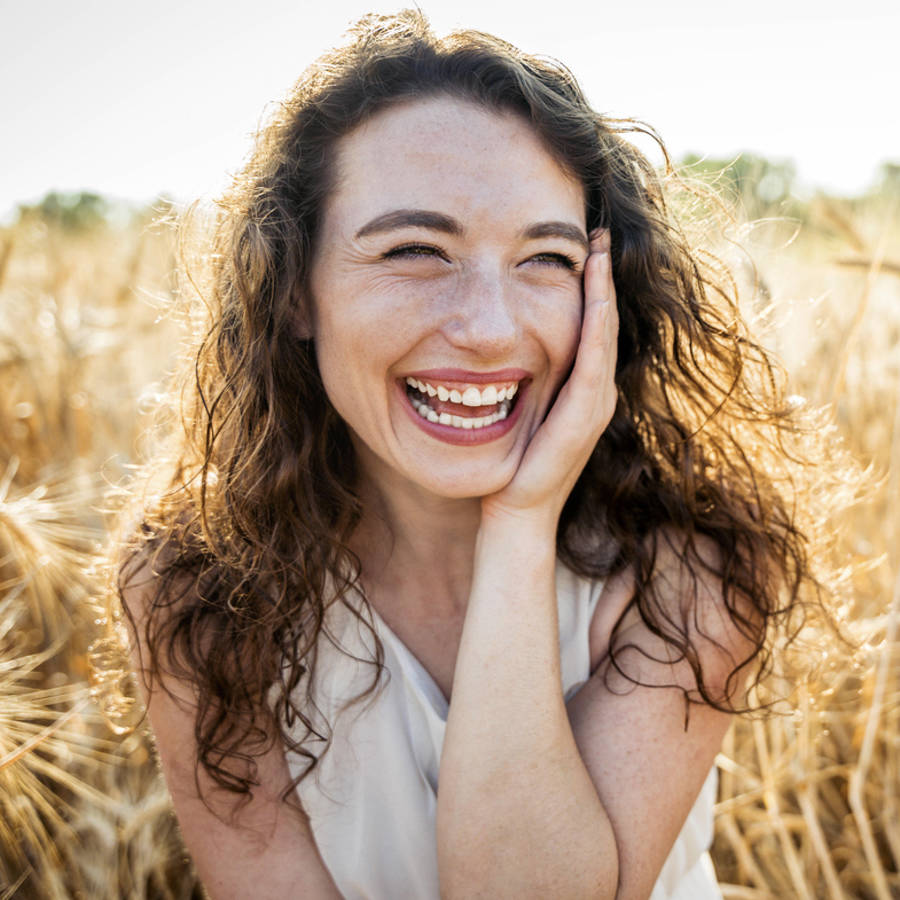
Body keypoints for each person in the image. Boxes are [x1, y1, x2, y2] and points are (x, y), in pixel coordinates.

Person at [113, 10, 834, 899]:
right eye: (416, 250)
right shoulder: (196, 591)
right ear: (296, 290)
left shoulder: (690, 568)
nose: (491, 330)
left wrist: (522, 525)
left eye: (545, 259)